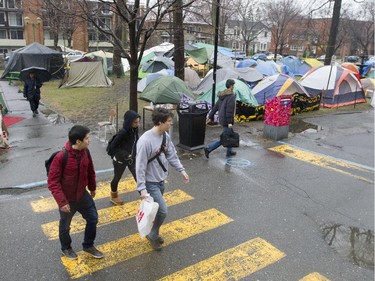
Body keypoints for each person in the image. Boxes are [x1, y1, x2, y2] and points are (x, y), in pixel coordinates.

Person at [136, 107, 189, 251]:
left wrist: (181, 170)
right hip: (150, 183)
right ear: (160, 122)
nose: (171, 124)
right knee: (163, 211)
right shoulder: (145, 141)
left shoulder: (165, 136)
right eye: (169, 122)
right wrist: (142, 189)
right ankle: (152, 234)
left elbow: (171, 155)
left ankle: (153, 232)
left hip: (161, 180)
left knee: (156, 210)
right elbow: (139, 166)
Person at [48, 125, 104, 260]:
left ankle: (88, 245)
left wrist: (92, 187)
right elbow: (53, 182)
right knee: (65, 226)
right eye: (87, 138)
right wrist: (62, 202)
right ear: (78, 141)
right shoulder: (61, 157)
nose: (89, 140)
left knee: (93, 218)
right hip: (67, 199)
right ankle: (66, 248)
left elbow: (90, 170)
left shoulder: (86, 152)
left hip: (82, 195)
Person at [109, 110, 140, 205]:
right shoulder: (123, 132)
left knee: (138, 177)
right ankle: (114, 196)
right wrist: (126, 154)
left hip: (131, 160)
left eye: (138, 122)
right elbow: (112, 147)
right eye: (135, 122)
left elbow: (136, 143)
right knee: (117, 177)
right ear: (129, 122)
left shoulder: (134, 130)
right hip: (120, 160)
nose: (138, 124)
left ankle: (145, 197)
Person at [204, 79, 237, 158]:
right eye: (233, 85)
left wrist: (209, 116)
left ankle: (229, 151)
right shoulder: (231, 96)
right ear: (231, 86)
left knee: (229, 135)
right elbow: (229, 110)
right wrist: (229, 122)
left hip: (222, 119)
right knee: (225, 138)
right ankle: (209, 148)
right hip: (227, 120)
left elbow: (215, 107)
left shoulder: (222, 95)